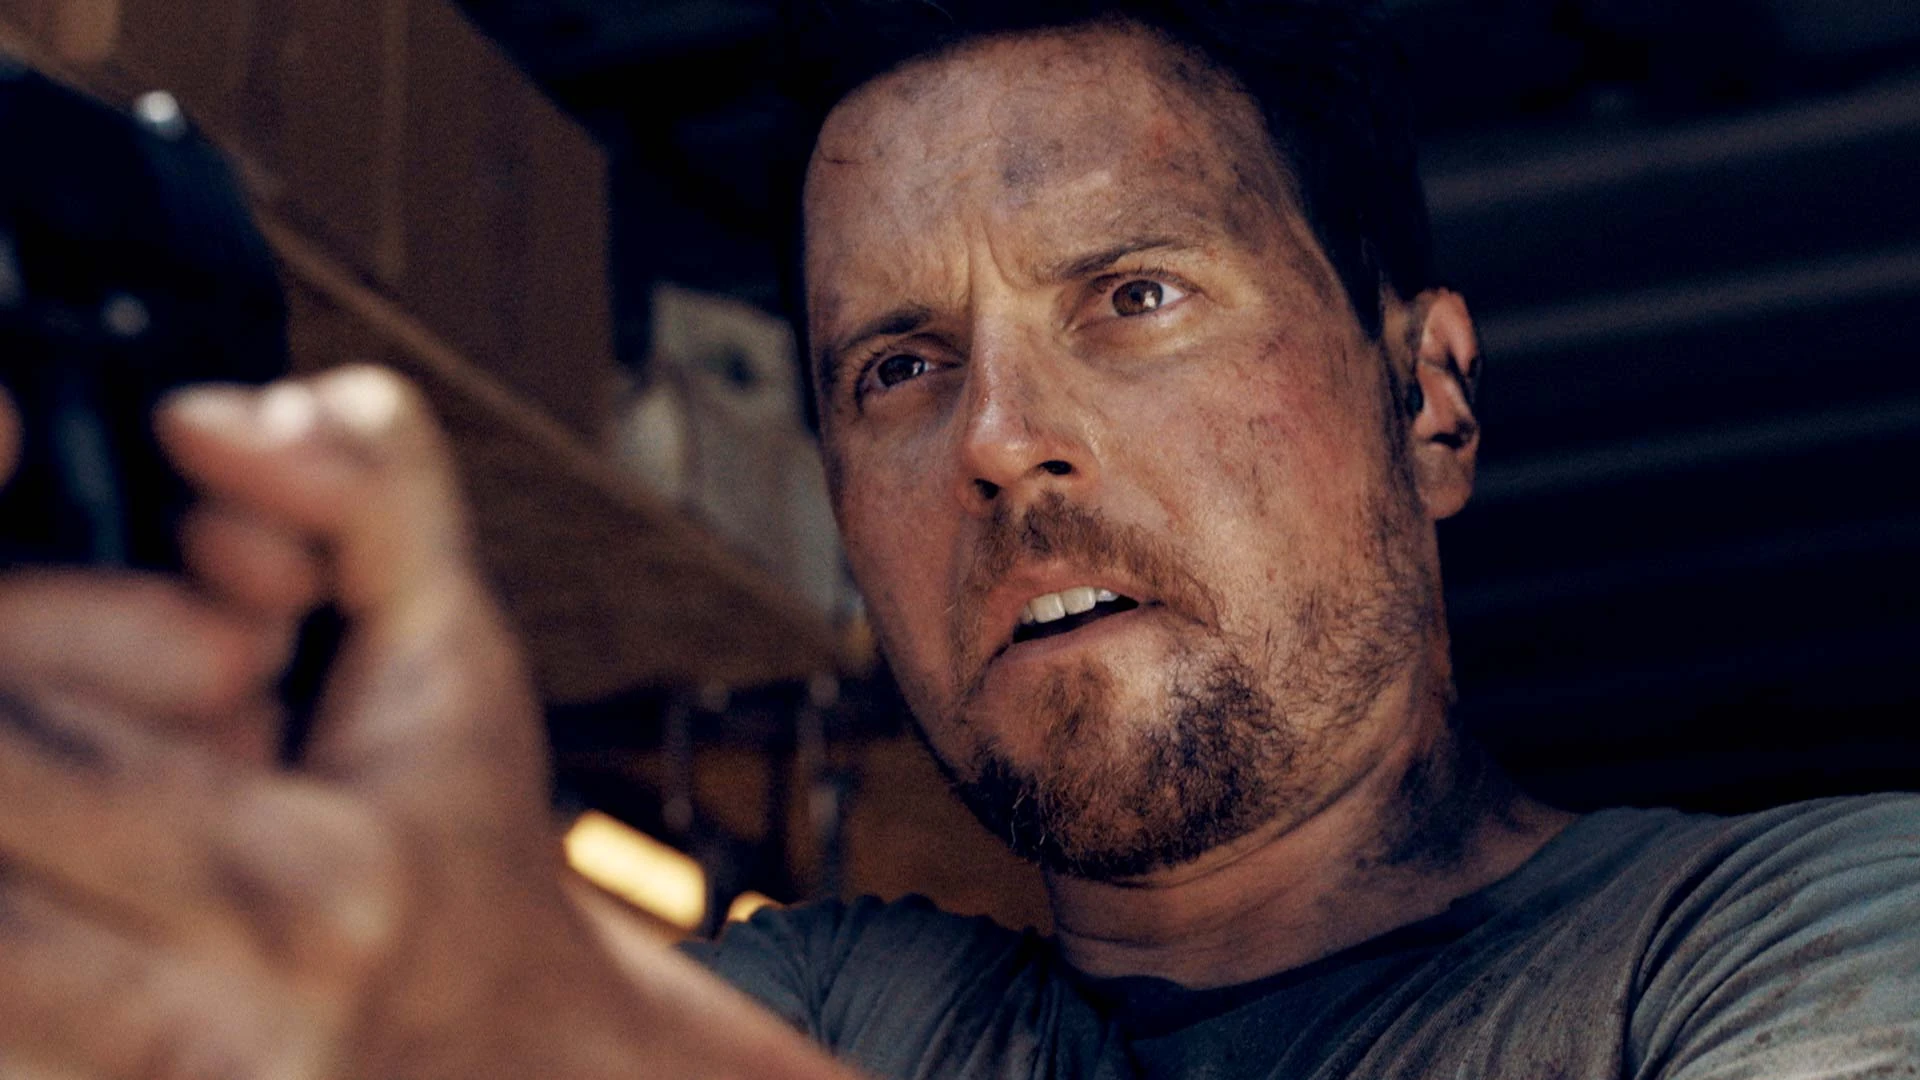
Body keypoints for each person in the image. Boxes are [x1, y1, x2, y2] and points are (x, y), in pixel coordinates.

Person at [0, 1, 1912, 1078]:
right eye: (898, 366)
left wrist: (527, 1010)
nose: (997, 441)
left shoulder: (1793, 935)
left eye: (1134, 296)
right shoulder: (834, 1012)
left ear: (1430, 403)